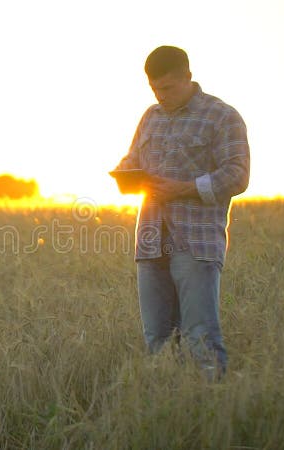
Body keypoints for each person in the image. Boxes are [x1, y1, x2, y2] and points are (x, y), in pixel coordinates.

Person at [115, 45, 250, 380]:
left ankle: (213, 408)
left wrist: (184, 188)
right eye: (154, 89)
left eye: (168, 88)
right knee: (157, 340)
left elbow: (238, 175)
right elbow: (134, 160)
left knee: (200, 336)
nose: (161, 95)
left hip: (196, 242)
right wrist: (124, 172)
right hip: (150, 240)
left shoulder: (223, 116)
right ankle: (169, 407)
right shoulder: (150, 117)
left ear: (188, 78)